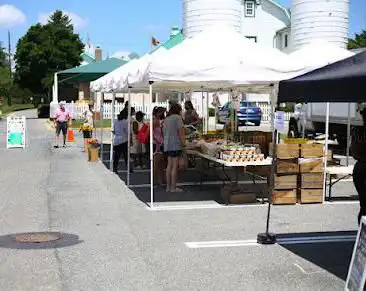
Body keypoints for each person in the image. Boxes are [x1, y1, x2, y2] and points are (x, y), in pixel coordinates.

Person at [163, 103, 185, 192]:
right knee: (174, 167)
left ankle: (168, 187)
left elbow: (164, 132)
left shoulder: (167, 119)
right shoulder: (178, 118)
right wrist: (184, 144)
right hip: (175, 144)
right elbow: (181, 133)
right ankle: (173, 187)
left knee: (169, 166)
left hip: (167, 144)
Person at [351, 106, 366, 224]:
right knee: (364, 205)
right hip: (362, 169)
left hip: (360, 168)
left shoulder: (357, 131)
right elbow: (355, 151)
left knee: (364, 205)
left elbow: (355, 152)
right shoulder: (358, 132)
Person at [153, 107, 166, 185]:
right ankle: (154, 180)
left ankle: (160, 180)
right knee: (157, 163)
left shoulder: (157, 120)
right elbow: (151, 132)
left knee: (161, 163)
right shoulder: (155, 121)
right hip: (157, 144)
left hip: (160, 142)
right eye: (162, 113)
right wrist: (156, 139)